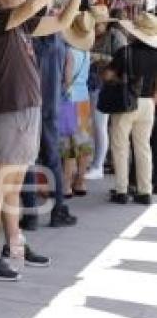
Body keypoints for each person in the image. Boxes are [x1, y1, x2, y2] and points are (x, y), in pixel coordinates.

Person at [0, 0, 89, 282]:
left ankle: (15, 247)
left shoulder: (21, 27)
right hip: (9, 112)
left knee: (11, 185)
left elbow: (64, 20)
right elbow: (36, 3)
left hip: (27, 111)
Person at [20, 30, 77, 230]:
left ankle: (30, 215)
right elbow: (68, 75)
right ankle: (58, 210)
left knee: (28, 161)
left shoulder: (27, 40)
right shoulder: (61, 42)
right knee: (53, 160)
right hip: (53, 105)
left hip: (30, 105)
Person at [106, 12, 157, 205]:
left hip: (125, 102)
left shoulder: (125, 52)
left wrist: (112, 75)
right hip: (147, 103)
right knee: (143, 147)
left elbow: (108, 75)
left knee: (120, 147)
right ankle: (145, 191)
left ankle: (121, 190)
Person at [85, 6, 127, 180]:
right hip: (89, 84)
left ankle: (98, 165)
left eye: (97, 25)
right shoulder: (90, 35)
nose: (94, 28)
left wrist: (99, 58)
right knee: (90, 127)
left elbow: (124, 60)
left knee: (100, 126)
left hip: (106, 87)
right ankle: (93, 162)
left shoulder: (116, 37)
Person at [59, 11, 96, 197]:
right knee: (83, 145)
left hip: (69, 100)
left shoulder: (68, 52)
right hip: (84, 99)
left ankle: (66, 186)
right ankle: (80, 182)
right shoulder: (86, 52)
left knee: (68, 146)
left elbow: (66, 80)